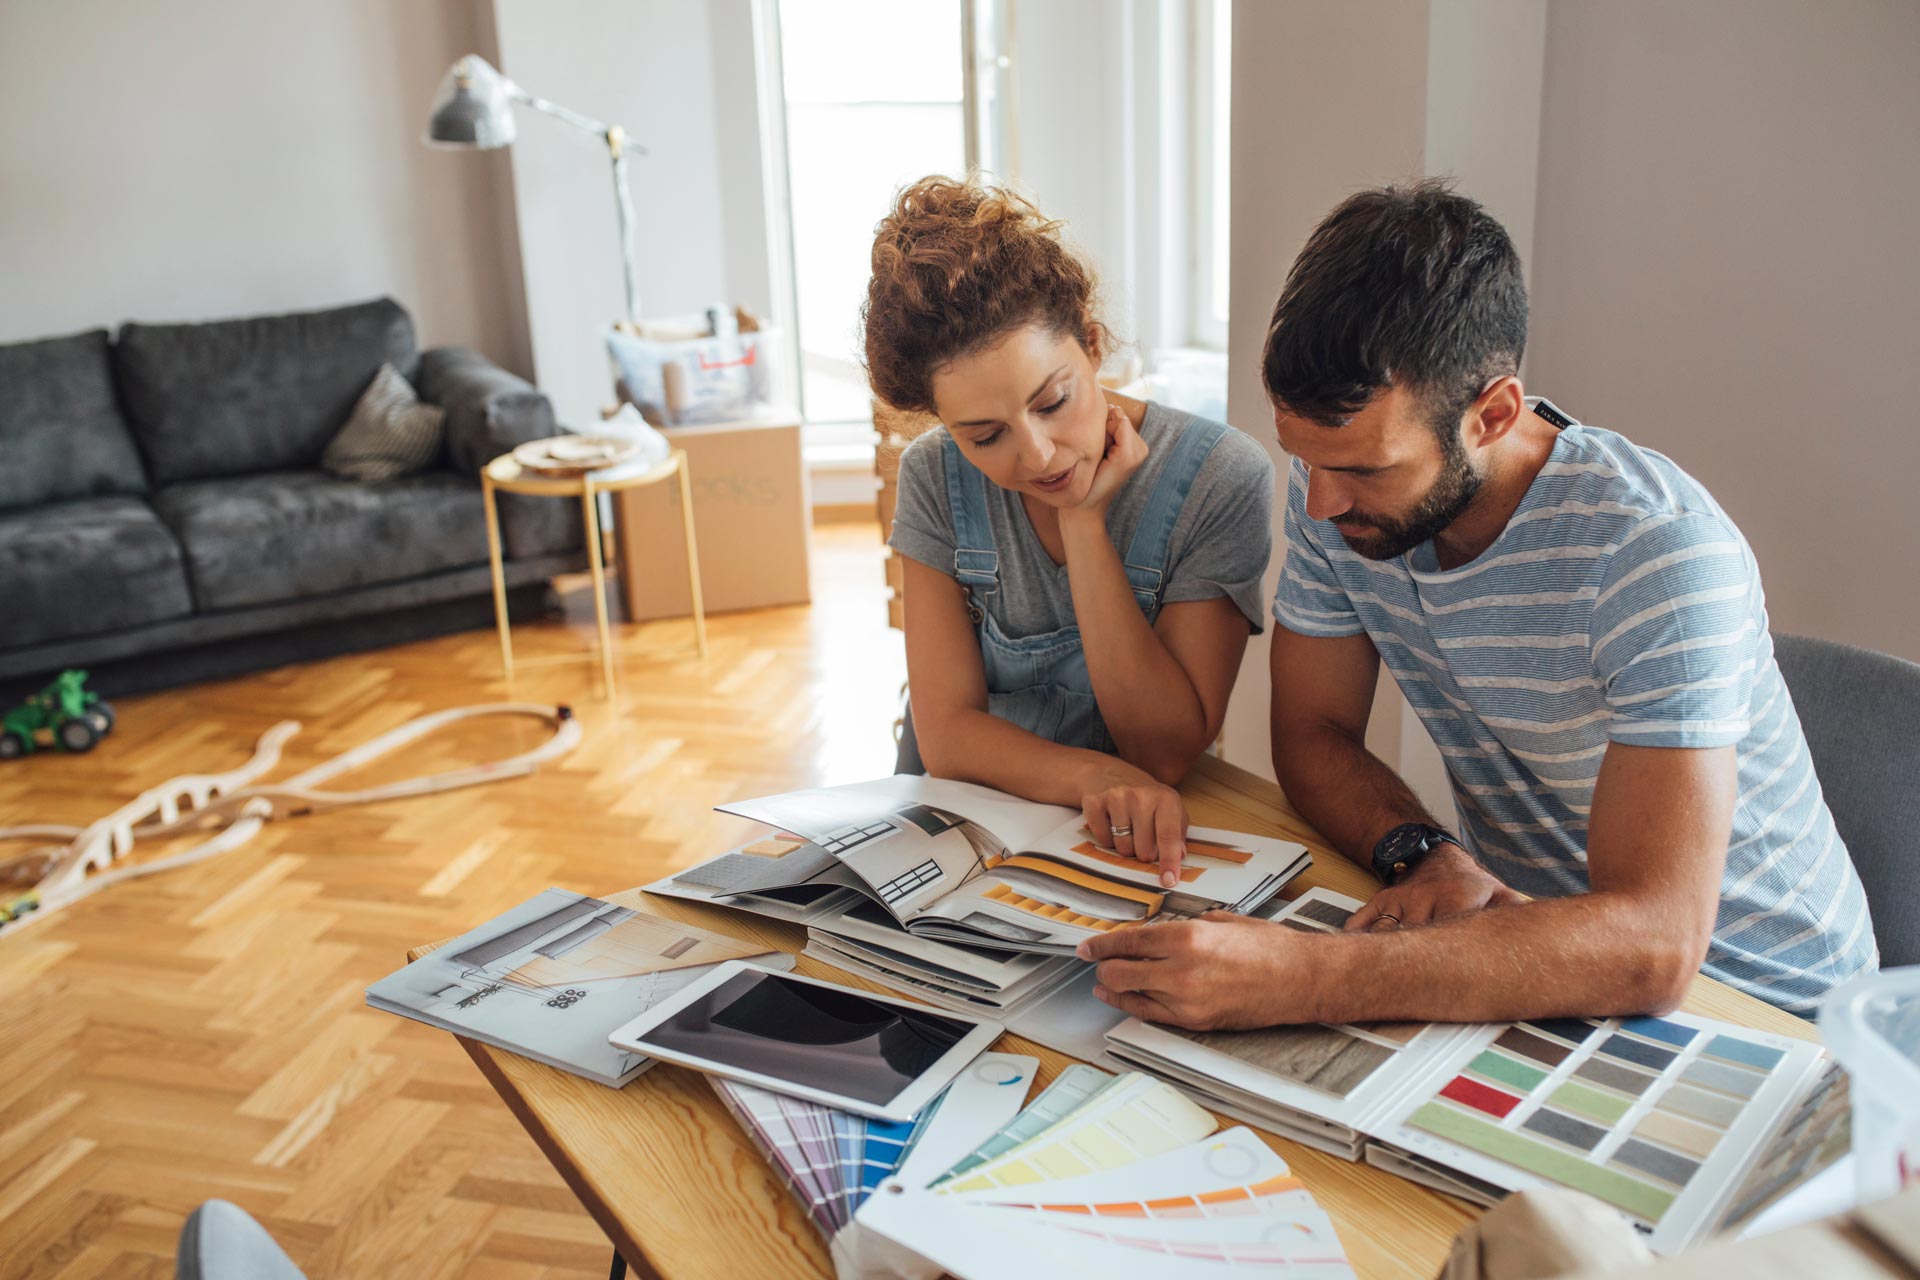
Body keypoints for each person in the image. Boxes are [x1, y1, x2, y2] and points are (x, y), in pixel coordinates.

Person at [1080, 179, 1876, 1023]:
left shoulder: (1657, 554)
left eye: (1366, 469)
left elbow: (1657, 943)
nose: (1320, 506)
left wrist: (1307, 978)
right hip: (1525, 958)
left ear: (1492, 413)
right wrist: (1425, 855)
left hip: (1772, 1012)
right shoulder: (1337, 485)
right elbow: (1310, 736)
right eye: (1308, 460)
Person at [867, 175, 1274, 886]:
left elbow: (1165, 752)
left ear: (1090, 343)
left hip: (1125, 847)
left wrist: (1084, 524)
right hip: (951, 835)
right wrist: (1095, 775)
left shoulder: (1220, 477)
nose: (1039, 455)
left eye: (1053, 401)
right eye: (986, 436)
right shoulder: (934, 474)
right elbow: (946, 734)